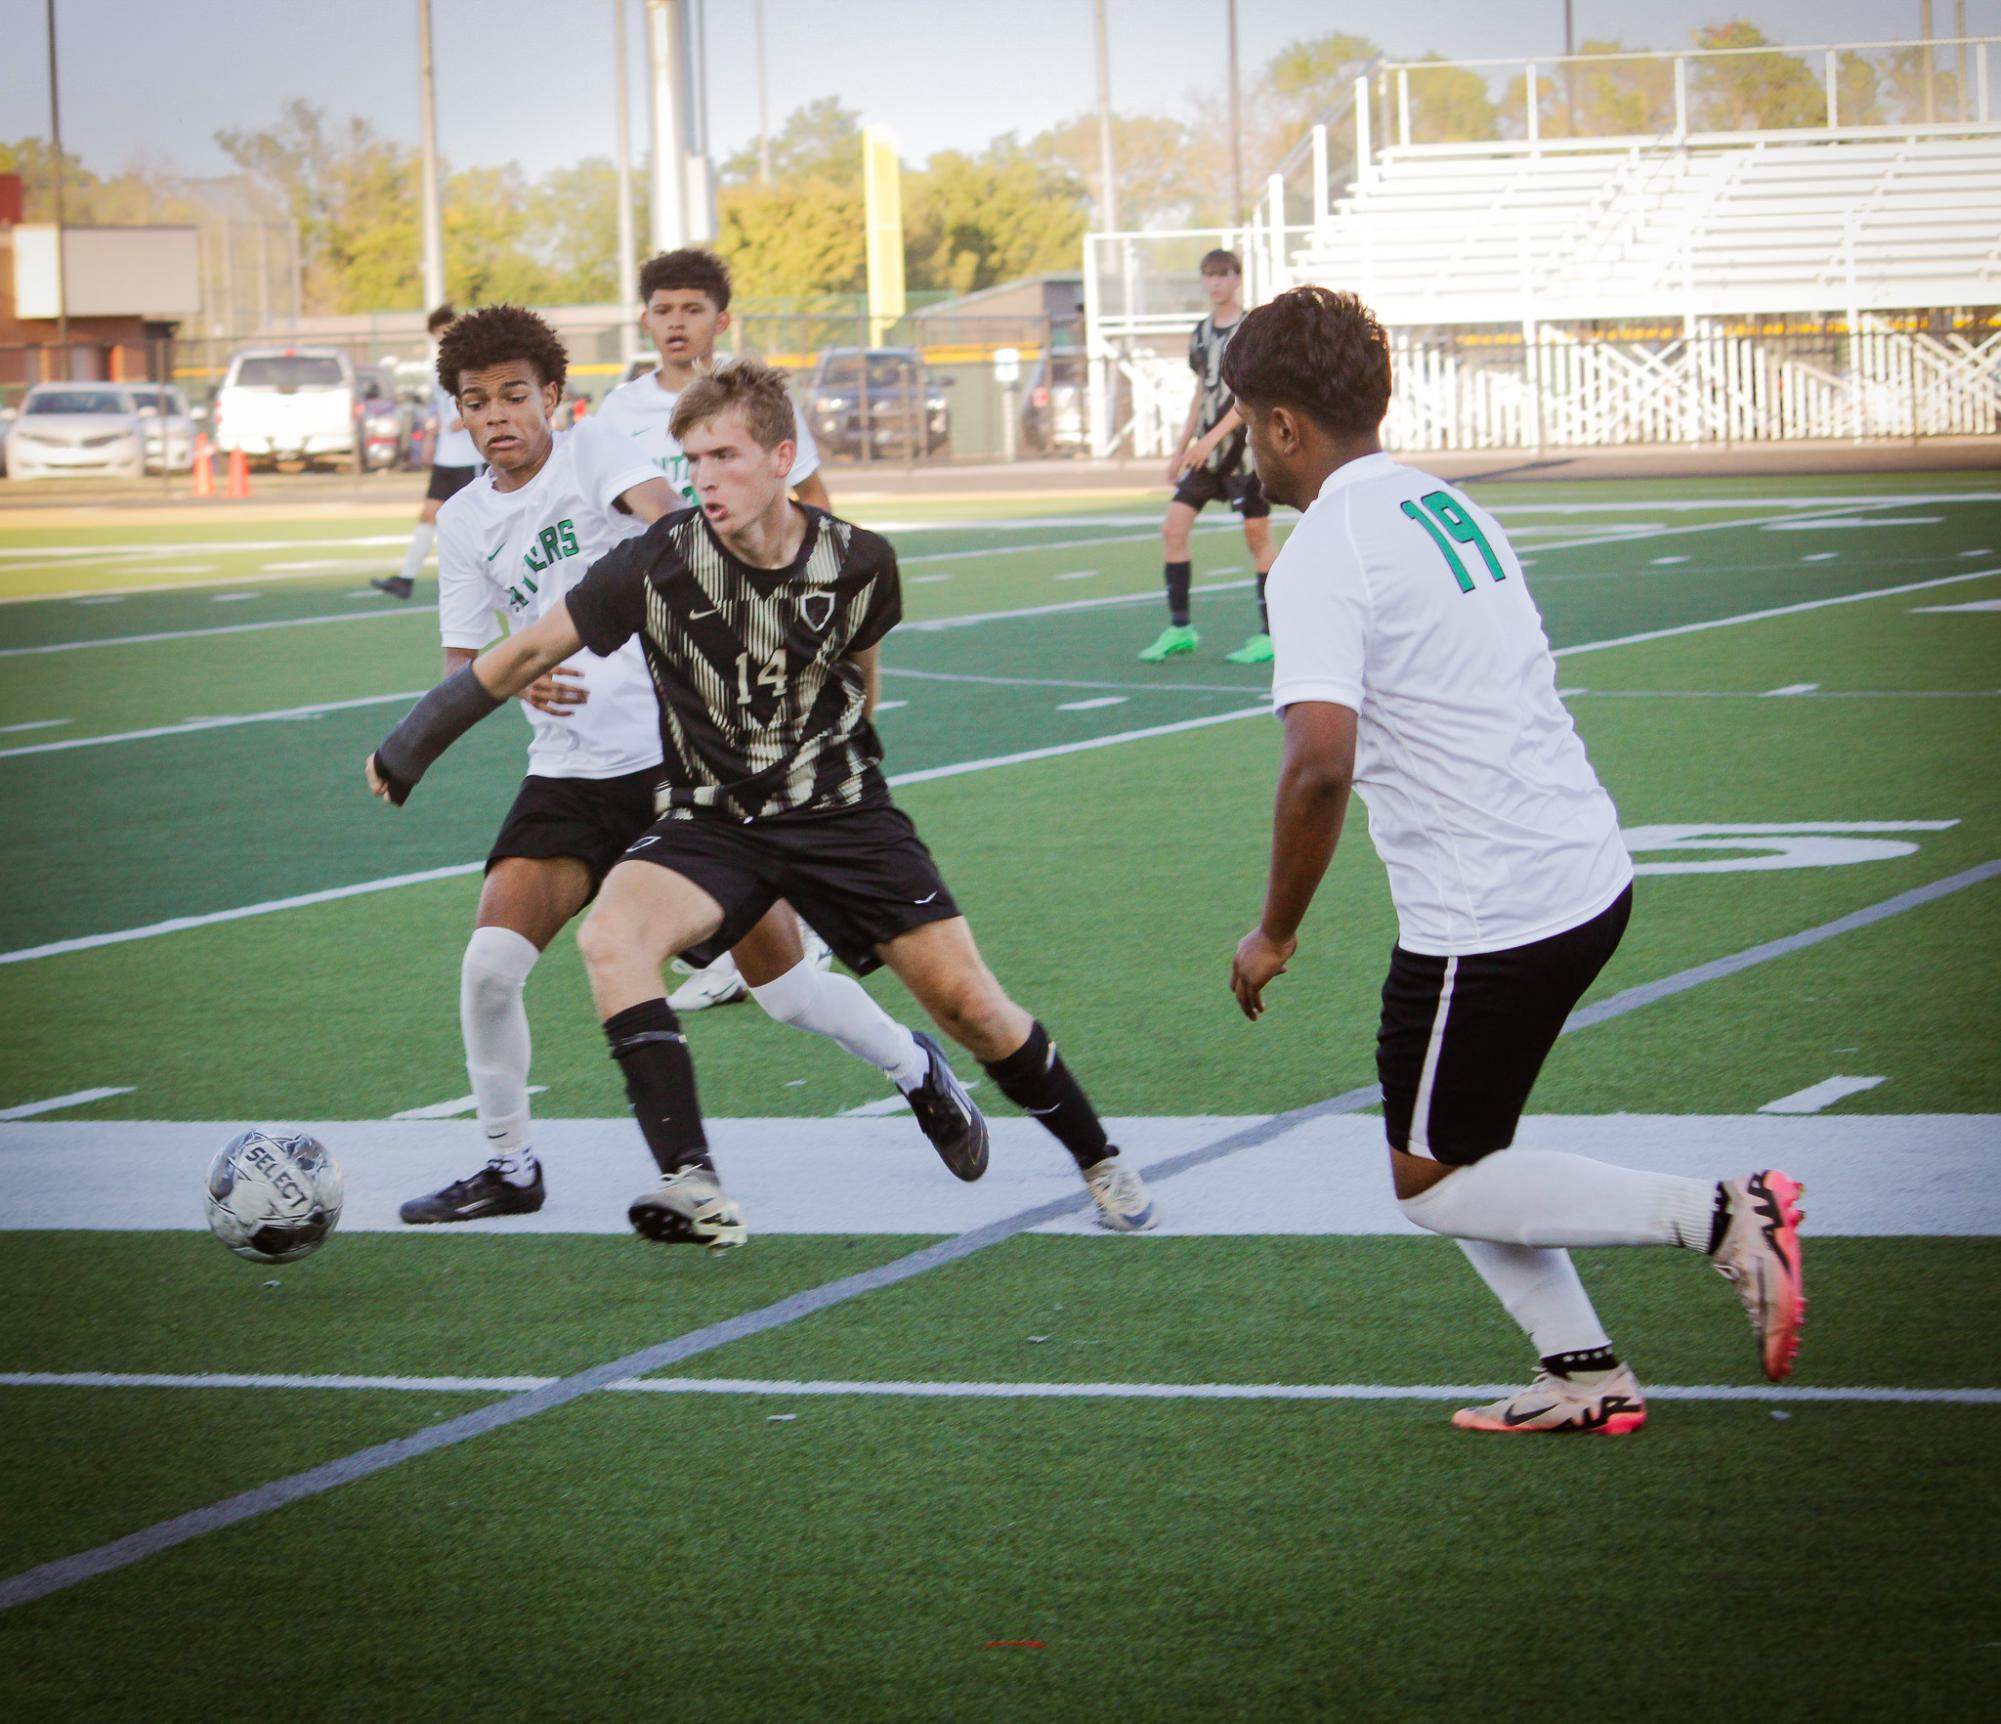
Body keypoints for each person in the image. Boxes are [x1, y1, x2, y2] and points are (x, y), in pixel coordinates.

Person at [366, 358, 1156, 1246]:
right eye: (691, 460)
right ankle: (692, 1183)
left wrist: (825, 763)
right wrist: (412, 743)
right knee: (611, 937)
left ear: (782, 457)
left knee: (970, 1009)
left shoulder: (859, 561)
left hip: (842, 817)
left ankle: (1097, 1158)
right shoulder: (652, 564)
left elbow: (862, 674)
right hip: (712, 823)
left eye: (725, 457)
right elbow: (522, 654)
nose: (704, 478)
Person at [1223, 285, 1805, 1434]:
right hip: (1576, 866)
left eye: (1248, 420)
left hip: (1490, 909)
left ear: (1286, 423)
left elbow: (1318, 766)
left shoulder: (1322, 548)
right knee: (1457, 1141)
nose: (1246, 444)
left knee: (1432, 1180)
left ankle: (1727, 1215)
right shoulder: (1443, 505)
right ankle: (1584, 1374)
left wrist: (1274, 930)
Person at [597, 247, 833, 1011]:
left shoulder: (758, 400)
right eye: (662, 309)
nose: (675, 322)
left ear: (721, 320)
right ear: (644, 319)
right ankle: (758, 931)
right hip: (665, 625)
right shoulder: (617, 414)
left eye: (691, 309)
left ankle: (765, 933)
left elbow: (812, 497)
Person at [1138, 250, 1276, 667]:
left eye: (1223, 275)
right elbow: (1201, 394)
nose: (1215, 283)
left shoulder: (1252, 329)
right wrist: (1182, 448)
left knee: (1256, 537)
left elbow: (1249, 396)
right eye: (1208, 276)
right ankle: (1180, 628)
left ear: (1237, 279)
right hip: (1205, 455)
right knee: (1173, 528)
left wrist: (1211, 439)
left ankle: (1271, 634)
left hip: (1244, 455)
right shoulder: (1200, 333)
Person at [375, 304, 480, 600]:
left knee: (476, 521)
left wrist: (468, 418)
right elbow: (439, 409)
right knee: (429, 514)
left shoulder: (473, 361)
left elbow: (483, 400)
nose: (440, 337)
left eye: (444, 331)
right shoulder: (439, 366)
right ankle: (405, 578)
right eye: (436, 333)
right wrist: (431, 437)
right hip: (448, 457)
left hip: (472, 458)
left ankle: (489, 578)